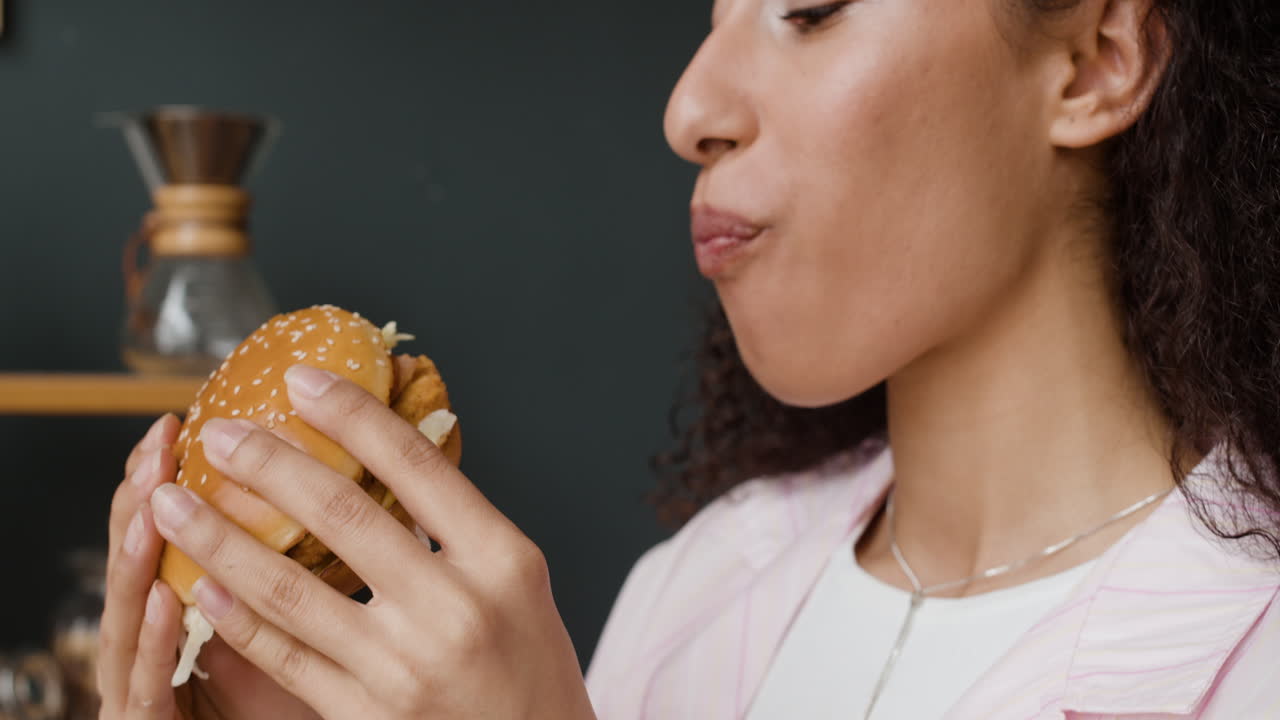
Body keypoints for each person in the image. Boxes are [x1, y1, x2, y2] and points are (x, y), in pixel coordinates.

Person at [97, 0, 1280, 718]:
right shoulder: (697, 586)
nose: (687, 107)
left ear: (1092, 62)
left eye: (808, 9)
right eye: (707, 20)